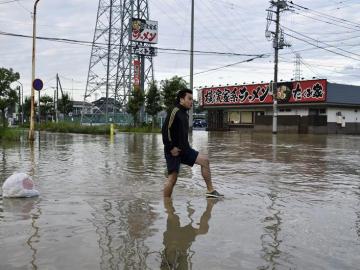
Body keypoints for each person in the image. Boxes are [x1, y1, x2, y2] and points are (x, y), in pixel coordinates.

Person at [161, 88, 223, 198]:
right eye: (189, 99)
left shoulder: (185, 114)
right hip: (173, 151)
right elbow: (165, 130)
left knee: (205, 161)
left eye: (192, 99)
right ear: (181, 99)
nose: (191, 102)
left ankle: (210, 191)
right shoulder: (174, 111)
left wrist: (185, 147)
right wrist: (171, 148)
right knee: (173, 178)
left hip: (185, 150)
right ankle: (167, 204)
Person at [161, 198, 217, 269]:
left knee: (171, 215)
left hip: (176, 240)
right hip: (179, 242)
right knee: (171, 215)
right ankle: (210, 205)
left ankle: (210, 205)